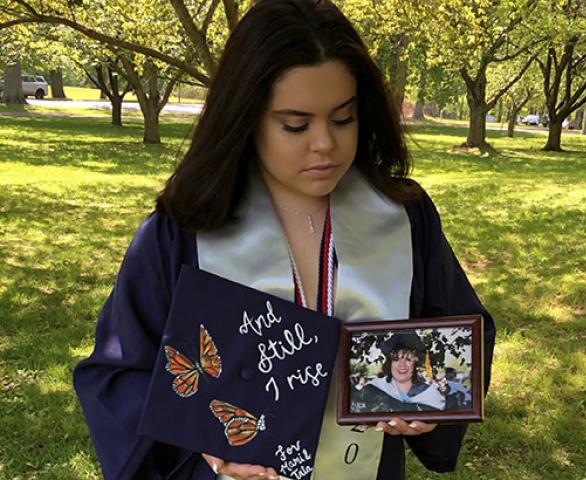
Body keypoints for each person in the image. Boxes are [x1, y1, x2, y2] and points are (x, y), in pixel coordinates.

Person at [73, 1, 496, 479]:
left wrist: (432, 404)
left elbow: (460, 337)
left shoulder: (403, 216)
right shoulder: (184, 230)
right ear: (246, 117)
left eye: (343, 119)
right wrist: (201, 441)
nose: (325, 145)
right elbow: (117, 376)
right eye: (295, 125)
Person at [356, 333, 445, 413]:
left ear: (415, 363)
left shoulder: (429, 393)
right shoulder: (373, 389)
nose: (402, 364)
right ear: (390, 362)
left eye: (408, 359)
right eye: (396, 359)